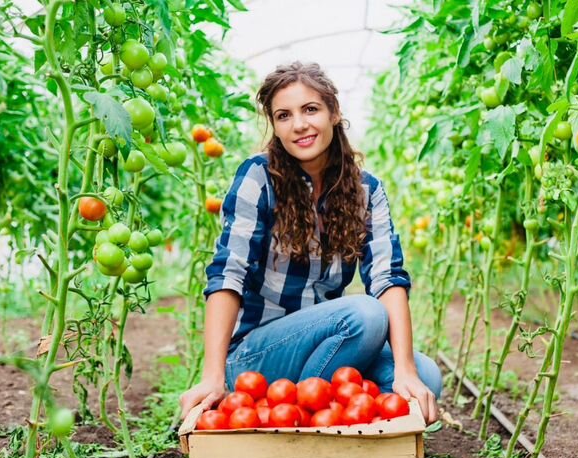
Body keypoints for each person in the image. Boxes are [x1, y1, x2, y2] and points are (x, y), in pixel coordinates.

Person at [179, 61, 442, 424]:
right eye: (284, 115)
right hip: (258, 354)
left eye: (311, 109)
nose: (299, 124)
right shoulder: (259, 178)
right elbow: (228, 273)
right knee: (365, 315)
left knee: (426, 376)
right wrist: (212, 375)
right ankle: (301, 416)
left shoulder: (367, 190)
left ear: (334, 113)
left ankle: (296, 412)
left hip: (325, 346)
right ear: (275, 126)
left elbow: (388, 277)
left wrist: (406, 370)